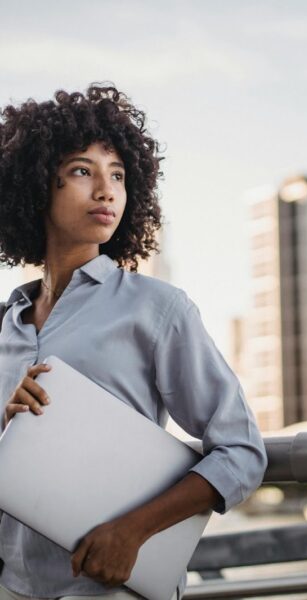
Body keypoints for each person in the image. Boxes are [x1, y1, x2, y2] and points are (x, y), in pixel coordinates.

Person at [0, 84, 268, 600]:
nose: (106, 190)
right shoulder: (6, 323)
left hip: (109, 589)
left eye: (118, 175)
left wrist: (133, 532)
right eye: (83, 171)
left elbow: (241, 451)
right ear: (36, 187)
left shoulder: (158, 309)